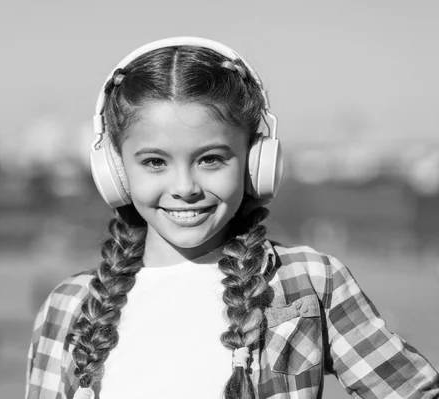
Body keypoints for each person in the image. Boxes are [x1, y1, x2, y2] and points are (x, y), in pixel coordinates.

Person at [24, 37, 439, 399]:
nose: (184, 186)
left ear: (256, 163)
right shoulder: (69, 306)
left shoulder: (309, 282)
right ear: (114, 172)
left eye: (210, 159)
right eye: (154, 161)